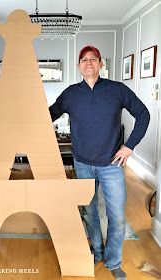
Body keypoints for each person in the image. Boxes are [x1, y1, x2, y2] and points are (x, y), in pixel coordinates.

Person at [49, 45, 150, 280]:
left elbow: (143, 114)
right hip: (82, 163)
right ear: (78, 66)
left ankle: (113, 261)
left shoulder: (117, 90)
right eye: (84, 60)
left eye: (93, 59)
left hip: (112, 164)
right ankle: (96, 252)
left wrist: (129, 146)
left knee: (116, 215)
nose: (88, 63)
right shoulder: (70, 94)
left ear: (101, 63)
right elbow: (48, 115)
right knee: (90, 211)